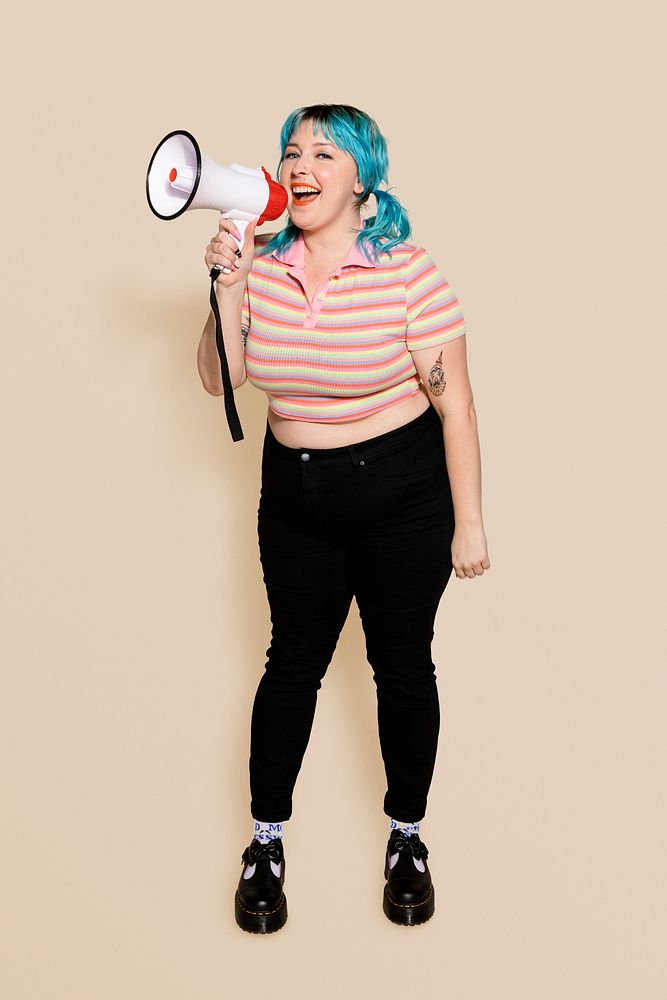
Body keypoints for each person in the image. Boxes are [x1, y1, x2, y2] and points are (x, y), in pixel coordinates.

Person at [197, 104, 490, 933]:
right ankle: (264, 843)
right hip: (294, 496)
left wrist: (467, 525)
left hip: (401, 497)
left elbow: (456, 405)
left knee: (400, 668)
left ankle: (406, 837)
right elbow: (225, 380)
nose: (300, 163)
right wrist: (228, 286)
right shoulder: (265, 260)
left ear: (360, 177)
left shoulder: (407, 272)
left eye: (323, 152)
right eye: (292, 150)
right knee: (291, 663)